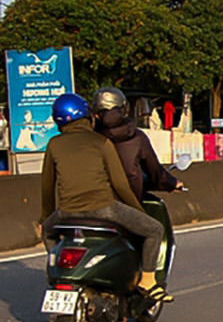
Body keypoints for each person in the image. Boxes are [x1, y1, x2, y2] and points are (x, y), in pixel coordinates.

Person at [39, 93, 173, 302]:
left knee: (47, 232)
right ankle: (147, 281)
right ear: (88, 116)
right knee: (154, 229)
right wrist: (137, 209)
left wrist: (45, 217)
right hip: (104, 208)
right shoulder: (101, 142)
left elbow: (47, 186)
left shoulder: (54, 144)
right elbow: (120, 184)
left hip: (65, 212)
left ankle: (56, 270)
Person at [91, 87, 183, 201]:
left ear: (96, 115)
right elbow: (154, 170)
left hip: (94, 205)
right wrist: (171, 183)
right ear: (124, 110)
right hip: (129, 206)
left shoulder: (89, 139)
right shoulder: (137, 137)